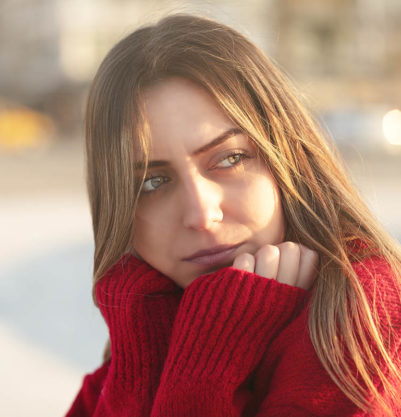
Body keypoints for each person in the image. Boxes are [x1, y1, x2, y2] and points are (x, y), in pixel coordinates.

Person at [65, 14, 401, 417]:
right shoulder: (146, 321)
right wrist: (144, 354)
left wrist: (202, 373)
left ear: (288, 157)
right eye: (151, 182)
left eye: (230, 158)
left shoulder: (364, 323)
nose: (202, 214)